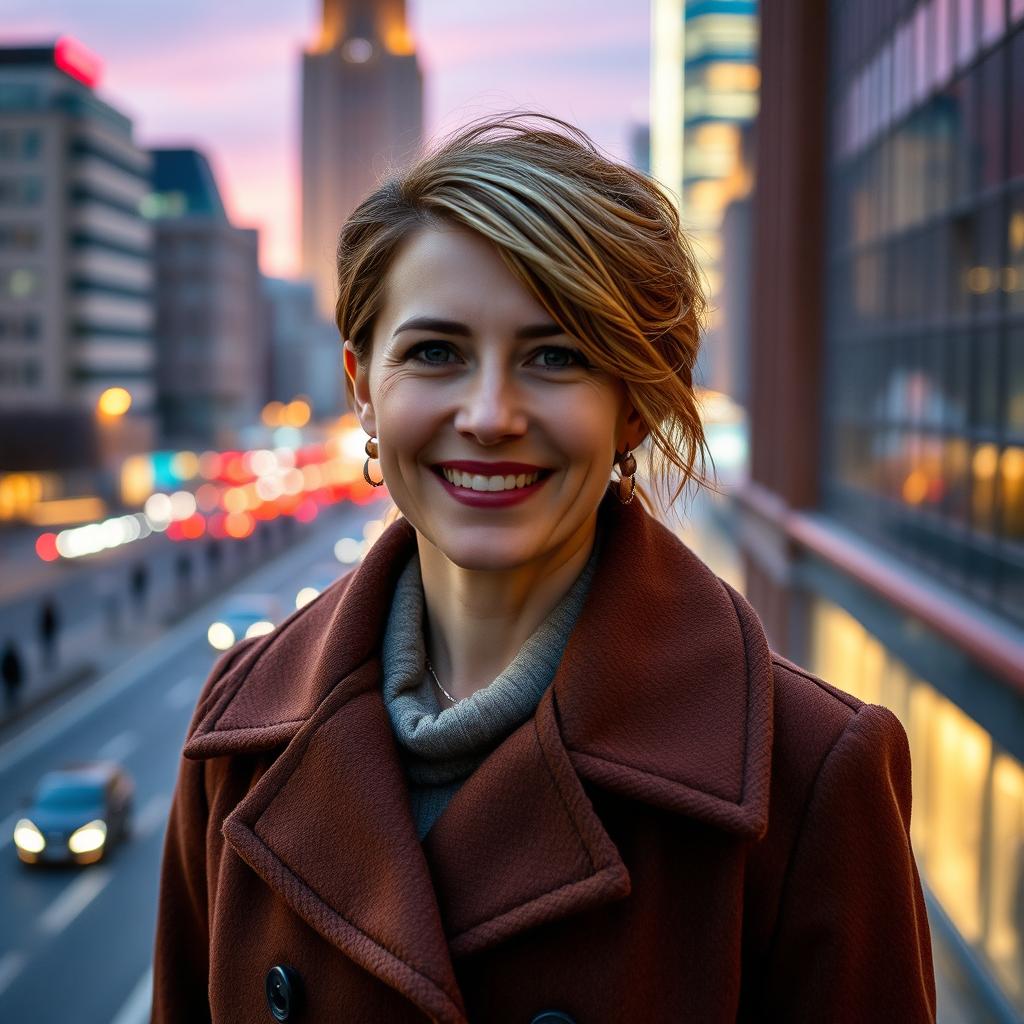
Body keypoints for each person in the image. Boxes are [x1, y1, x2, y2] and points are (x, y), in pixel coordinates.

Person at [153, 113, 936, 1023]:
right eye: (436, 353)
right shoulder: (237, 736)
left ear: (633, 409)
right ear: (362, 384)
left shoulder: (808, 776)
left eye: (555, 356)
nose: (489, 413)